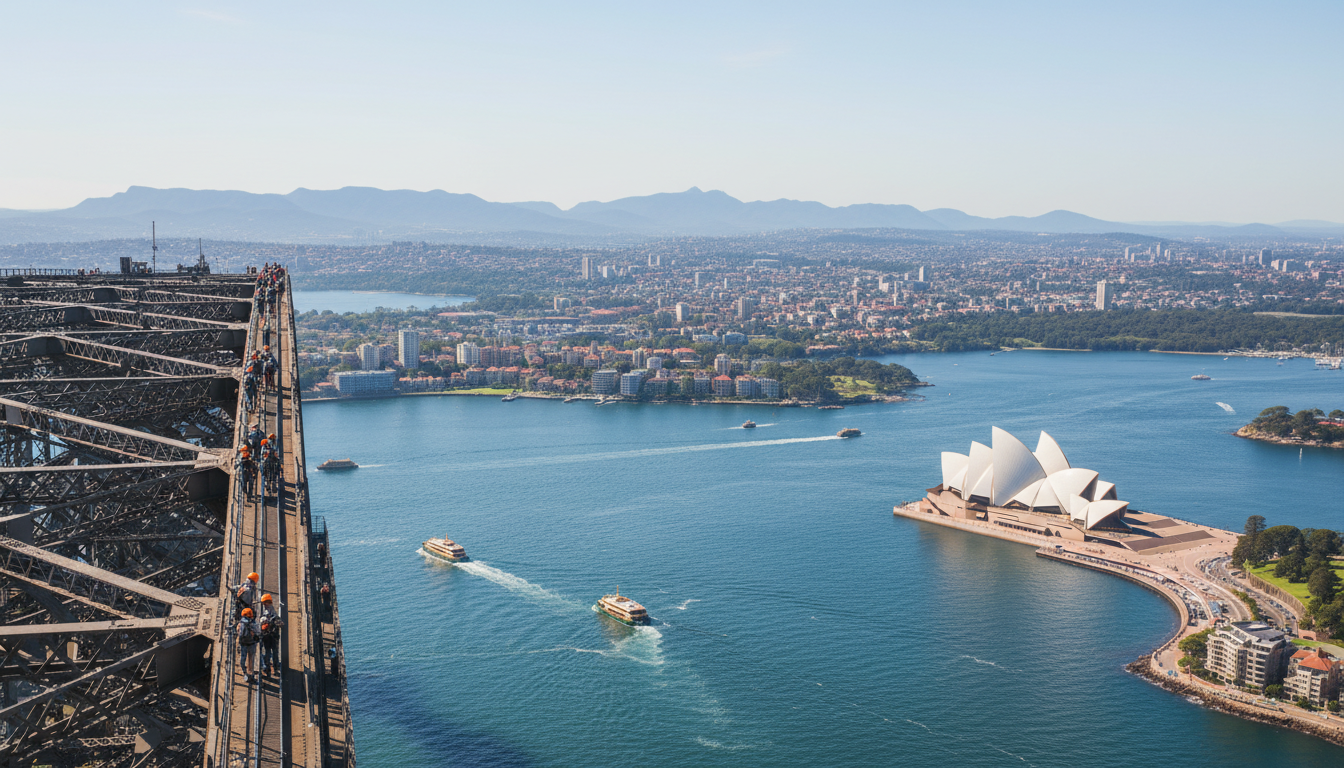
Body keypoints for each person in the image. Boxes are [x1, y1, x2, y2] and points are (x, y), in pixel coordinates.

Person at [257, 593, 284, 676]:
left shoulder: (266, 613)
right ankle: (276, 668)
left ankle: (268, 668)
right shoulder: (273, 613)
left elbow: (262, 623)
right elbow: (280, 624)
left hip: (267, 636)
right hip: (274, 636)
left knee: (268, 651)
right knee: (275, 652)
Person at [237, 607, 261, 682]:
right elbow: (258, 632)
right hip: (251, 644)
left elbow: (238, 633)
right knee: (251, 659)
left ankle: (244, 672)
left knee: (243, 658)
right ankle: (251, 673)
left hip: (243, 643)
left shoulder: (240, 624)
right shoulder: (253, 624)